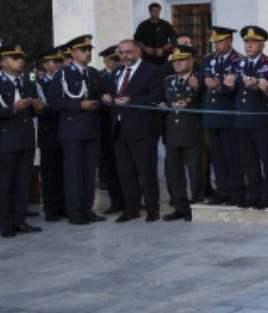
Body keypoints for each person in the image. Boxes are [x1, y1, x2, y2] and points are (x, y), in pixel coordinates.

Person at [0, 44, 43, 238]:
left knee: (23, 182)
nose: (21, 60)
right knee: (5, 183)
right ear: (4, 62)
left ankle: (20, 220)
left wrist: (37, 108)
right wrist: (12, 109)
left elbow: (32, 111)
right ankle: (5, 224)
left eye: (21, 57)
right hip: (6, 140)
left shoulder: (27, 83)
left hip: (25, 139)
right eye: (15, 58)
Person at [101, 39, 164, 222]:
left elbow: (156, 97)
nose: (124, 56)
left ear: (138, 52)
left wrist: (132, 100)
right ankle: (131, 209)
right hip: (119, 129)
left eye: (128, 52)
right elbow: (110, 91)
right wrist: (105, 96)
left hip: (143, 130)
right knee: (125, 172)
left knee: (146, 172)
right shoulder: (118, 71)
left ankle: (153, 209)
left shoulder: (151, 70)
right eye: (121, 53)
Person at [54, 35, 105, 225]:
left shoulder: (93, 73)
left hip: (91, 129)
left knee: (89, 173)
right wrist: (78, 105)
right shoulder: (63, 74)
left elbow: (99, 94)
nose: (88, 53)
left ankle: (87, 208)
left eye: (89, 50)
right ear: (74, 53)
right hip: (72, 130)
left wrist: (103, 99)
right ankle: (75, 211)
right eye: (84, 50)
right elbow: (55, 100)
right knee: (74, 173)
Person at [231, 26, 268, 209]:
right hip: (242, 119)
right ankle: (253, 193)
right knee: (248, 161)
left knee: (267, 160)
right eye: (246, 42)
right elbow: (232, 91)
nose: (249, 46)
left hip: (262, 120)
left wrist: (258, 87)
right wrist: (226, 86)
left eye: (253, 42)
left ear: (262, 44)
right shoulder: (238, 64)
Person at [159, 44, 203, 221]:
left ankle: (196, 207)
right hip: (172, 133)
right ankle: (180, 207)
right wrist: (161, 105)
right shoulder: (168, 80)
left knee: (195, 173)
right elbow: (163, 100)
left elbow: (206, 103)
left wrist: (197, 89)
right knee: (173, 173)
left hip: (192, 132)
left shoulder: (199, 79)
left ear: (191, 61)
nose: (177, 64)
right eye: (174, 61)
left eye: (182, 60)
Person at [200, 26, 242, 205]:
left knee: (232, 156)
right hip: (212, 115)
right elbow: (203, 83)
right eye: (214, 42)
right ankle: (222, 190)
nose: (216, 45)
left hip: (229, 115)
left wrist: (220, 87)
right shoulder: (208, 59)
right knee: (217, 157)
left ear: (229, 40)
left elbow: (238, 88)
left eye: (220, 42)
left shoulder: (238, 60)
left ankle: (236, 192)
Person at [35, 48, 66, 221]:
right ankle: (51, 208)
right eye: (55, 62)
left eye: (60, 62)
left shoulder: (63, 80)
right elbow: (41, 108)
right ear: (46, 65)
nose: (58, 65)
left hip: (64, 130)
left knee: (64, 171)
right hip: (49, 132)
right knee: (49, 173)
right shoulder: (39, 84)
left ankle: (63, 206)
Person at [95, 44, 125, 214]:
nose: (117, 61)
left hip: (124, 125)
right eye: (114, 59)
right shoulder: (99, 77)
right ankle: (116, 202)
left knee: (128, 166)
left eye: (118, 58)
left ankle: (131, 200)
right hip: (106, 127)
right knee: (110, 167)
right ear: (106, 60)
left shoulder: (124, 74)